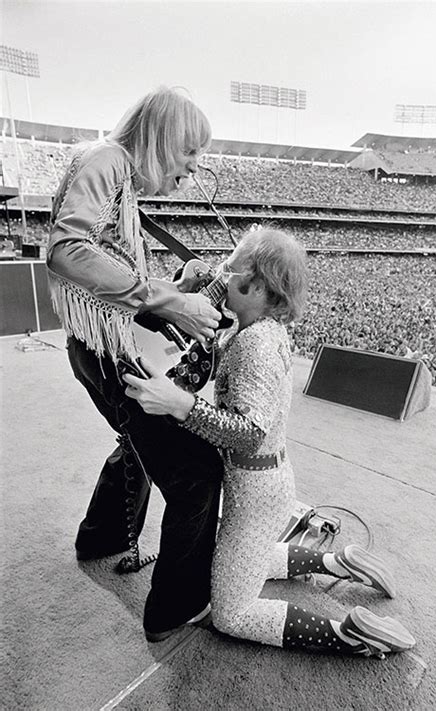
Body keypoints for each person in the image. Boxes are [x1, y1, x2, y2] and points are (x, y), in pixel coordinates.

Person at [123, 228, 416, 657]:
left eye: (230, 267)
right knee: (246, 555)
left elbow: (248, 429)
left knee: (231, 612)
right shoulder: (261, 329)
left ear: (257, 285)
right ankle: (338, 563)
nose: (221, 273)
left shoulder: (254, 345)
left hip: (255, 492)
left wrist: (179, 404)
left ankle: (350, 634)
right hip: (267, 485)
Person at [47, 86, 225, 639]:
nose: (194, 167)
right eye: (189, 151)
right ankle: (176, 605)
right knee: (197, 472)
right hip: (106, 353)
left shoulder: (117, 178)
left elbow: (116, 283)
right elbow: (65, 250)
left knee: (135, 442)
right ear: (161, 139)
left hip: (96, 346)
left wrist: (177, 285)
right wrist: (172, 301)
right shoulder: (107, 161)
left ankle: (100, 537)